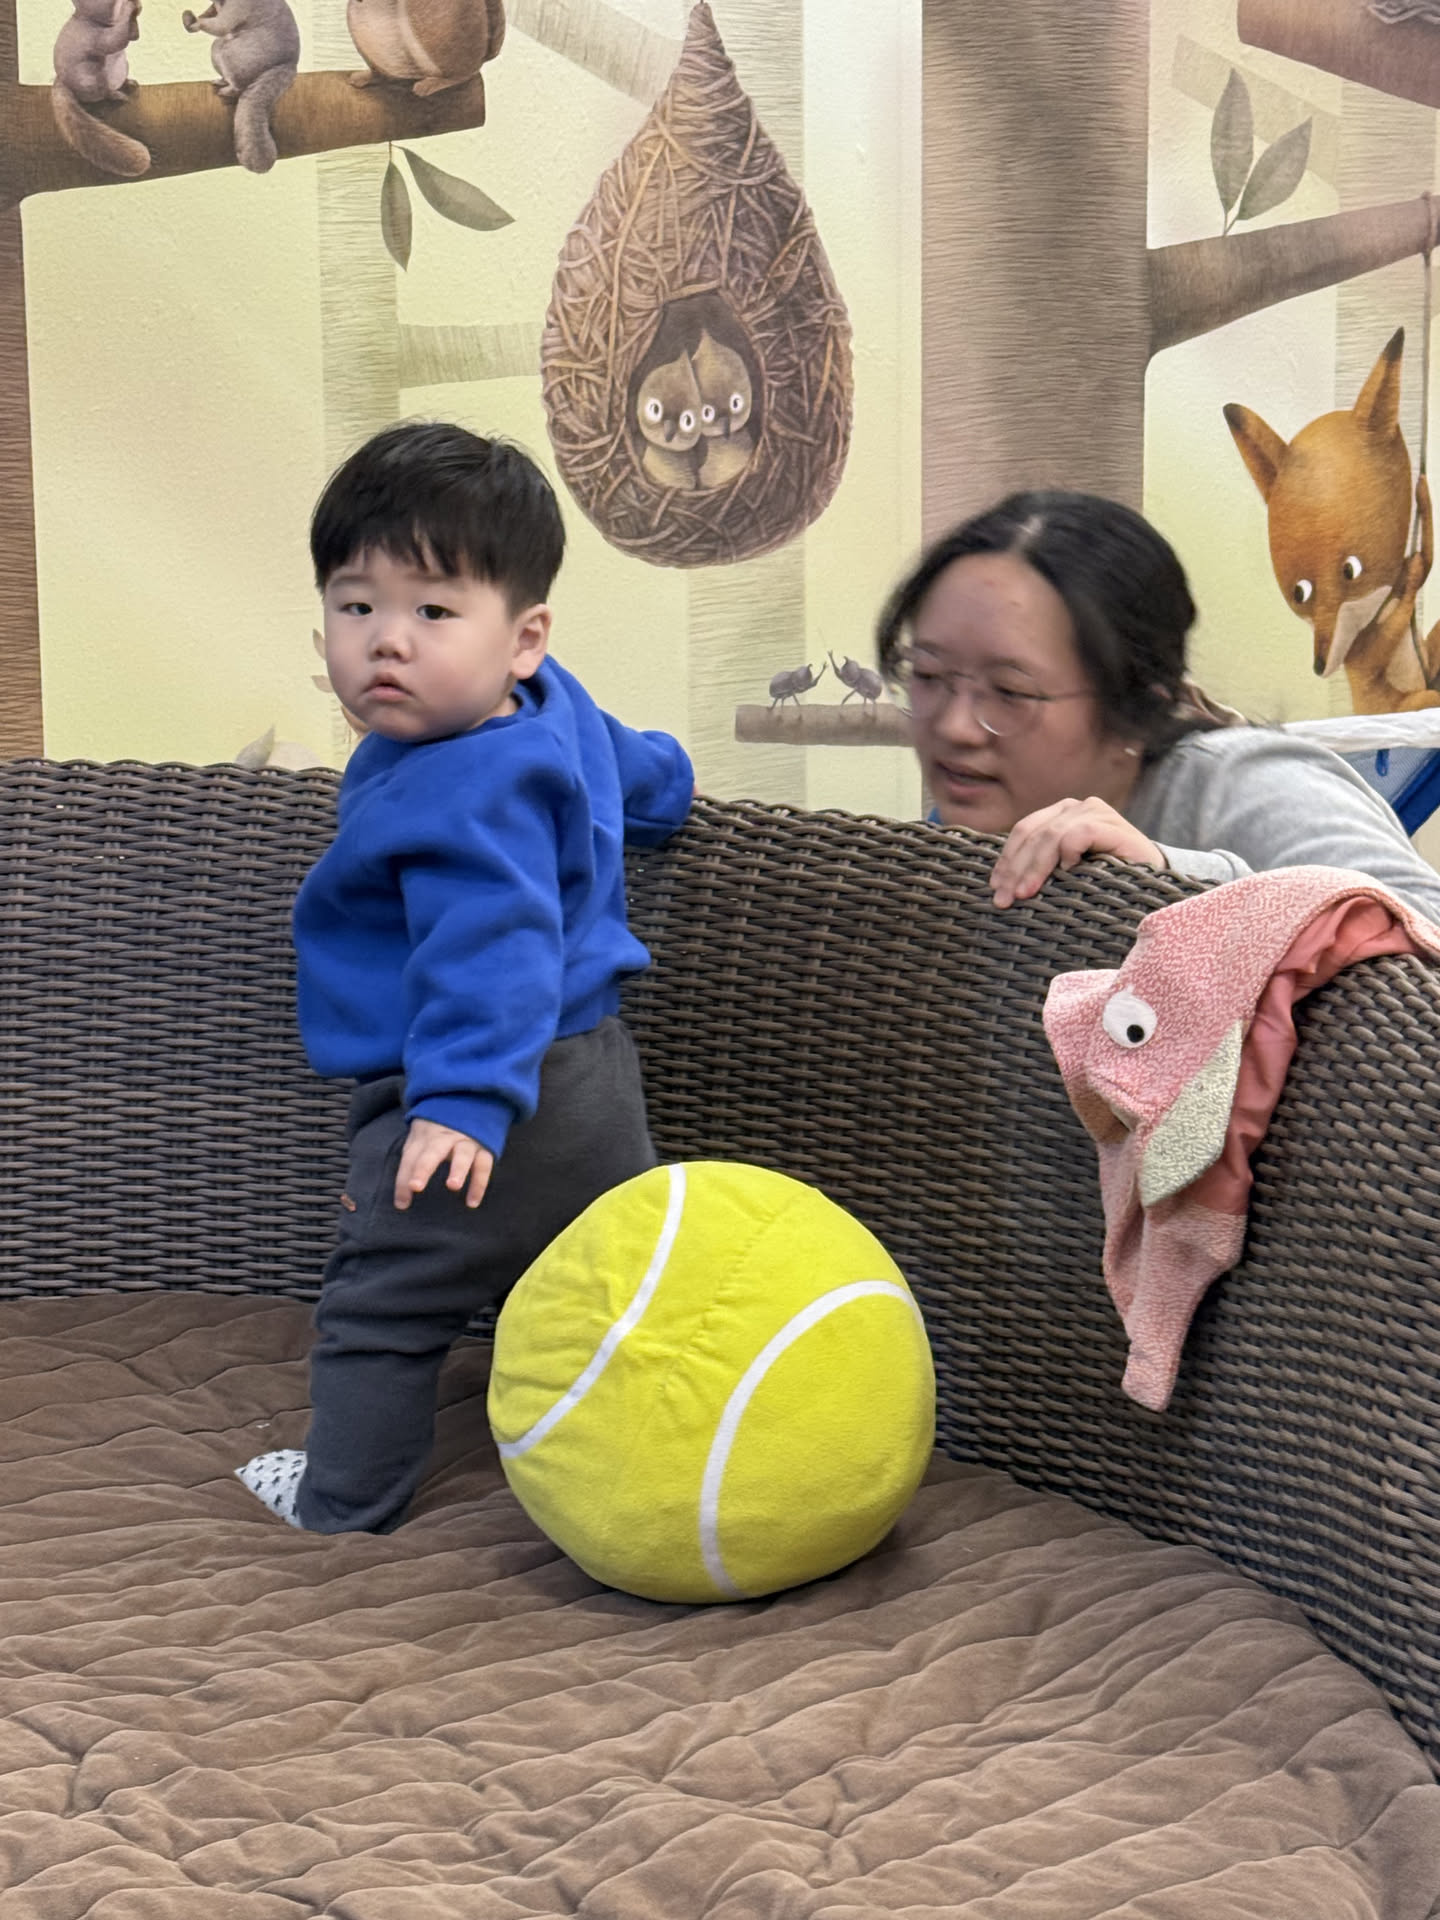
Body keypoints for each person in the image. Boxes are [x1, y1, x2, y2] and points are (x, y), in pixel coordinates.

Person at [236, 422, 695, 1533]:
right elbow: (639, 773)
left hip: (475, 1097)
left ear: (522, 636)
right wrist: (666, 789)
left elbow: (495, 945)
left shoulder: (457, 789)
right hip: (597, 1089)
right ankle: (655, 1472)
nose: (387, 643)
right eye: (357, 606)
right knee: (603, 1296)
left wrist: (462, 1103)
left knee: (380, 1309)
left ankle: (341, 1498)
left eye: (433, 612)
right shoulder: (553, 706)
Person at [876, 489, 1440, 925]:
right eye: (928, 675)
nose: (955, 727)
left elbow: (1425, 937)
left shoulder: (1242, 786)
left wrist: (1169, 880)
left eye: (1011, 692)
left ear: (1139, 707)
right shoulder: (964, 834)